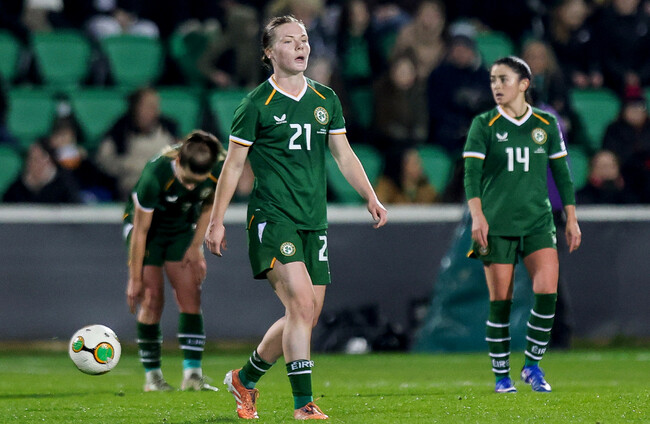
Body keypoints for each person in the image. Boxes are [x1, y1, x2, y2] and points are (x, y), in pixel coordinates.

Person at [204, 15, 388, 420]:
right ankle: (303, 404)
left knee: (305, 314)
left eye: (303, 39)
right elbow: (233, 166)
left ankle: (244, 379)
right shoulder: (255, 104)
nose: (301, 46)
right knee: (302, 304)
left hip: (313, 220)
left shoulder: (326, 99)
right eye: (289, 41)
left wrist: (369, 195)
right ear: (269, 52)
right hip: (272, 217)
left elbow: (343, 154)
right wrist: (216, 221)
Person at [463, 56, 581, 393]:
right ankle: (502, 375)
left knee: (547, 292)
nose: (496, 86)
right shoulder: (483, 124)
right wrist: (477, 215)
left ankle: (532, 366)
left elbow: (562, 173)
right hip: (497, 224)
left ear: (524, 84)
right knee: (501, 300)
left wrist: (571, 217)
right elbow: (471, 175)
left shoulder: (546, 123)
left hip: (538, 222)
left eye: (503, 79)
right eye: (493, 80)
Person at [123, 130, 225, 392]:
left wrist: (196, 247)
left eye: (196, 182)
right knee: (152, 297)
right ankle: (153, 378)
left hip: (181, 228)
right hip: (149, 232)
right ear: (178, 162)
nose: (190, 187)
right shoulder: (155, 175)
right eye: (188, 180)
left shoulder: (218, 168)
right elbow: (141, 231)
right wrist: (134, 278)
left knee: (190, 293)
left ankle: (193, 375)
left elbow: (208, 205)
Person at [96, 87, 178, 201]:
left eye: (155, 106)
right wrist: (128, 165)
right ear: (135, 108)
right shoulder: (119, 131)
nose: (154, 110)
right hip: (131, 187)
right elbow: (103, 161)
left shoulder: (168, 129)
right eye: (148, 106)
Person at [3, 140, 82, 204]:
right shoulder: (18, 187)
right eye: (31, 158)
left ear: (49, 160)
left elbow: (75, 209)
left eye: (40, 158)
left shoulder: (65, 184)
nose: (35, 163)